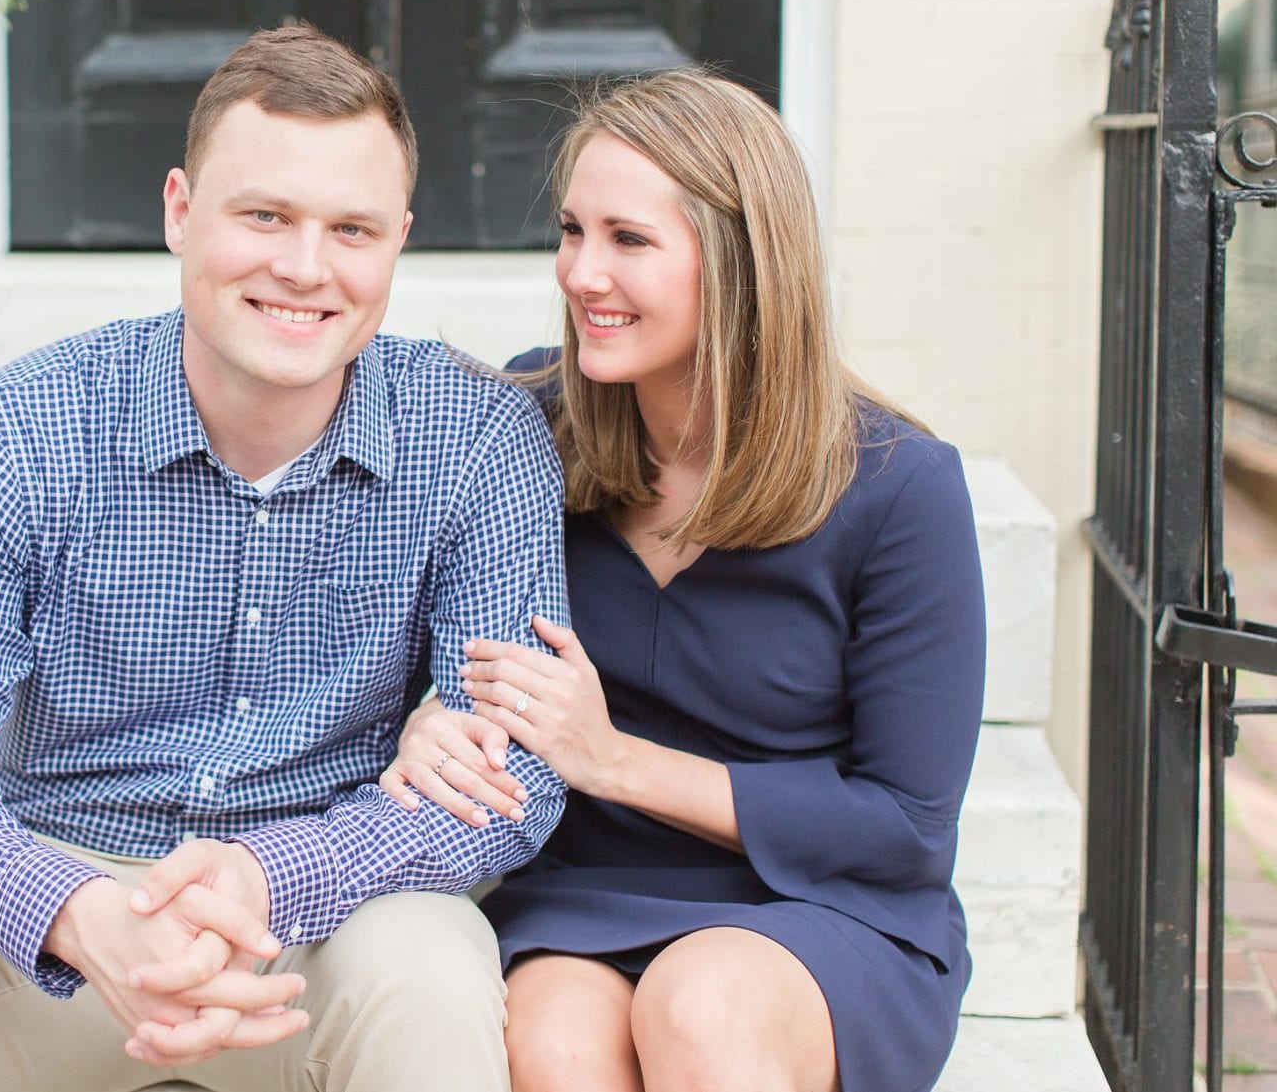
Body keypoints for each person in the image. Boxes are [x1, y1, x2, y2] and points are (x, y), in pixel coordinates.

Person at [0, 24, 570, 1092]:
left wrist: (273, 873)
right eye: (264, 214)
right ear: (180, 211)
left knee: (433, 974)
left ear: (397, 241)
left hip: (318, 922)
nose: (304, 267)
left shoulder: (476, 440)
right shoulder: (21, 428)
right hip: (42, 916)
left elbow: (514, 774)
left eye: (351, 228)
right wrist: (76, 912)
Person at [379, 67, 985, 1092]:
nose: (581, 273)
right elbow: (412, 641)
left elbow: (906, 826)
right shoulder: (528, 429)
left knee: (700, 1008)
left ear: (741, 264)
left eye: (629, 240)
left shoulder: (899, 489)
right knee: (552, 1043)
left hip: (825, 909)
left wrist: (611, 759)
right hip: (586, 889)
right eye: (574, 231)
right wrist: (426, 720)